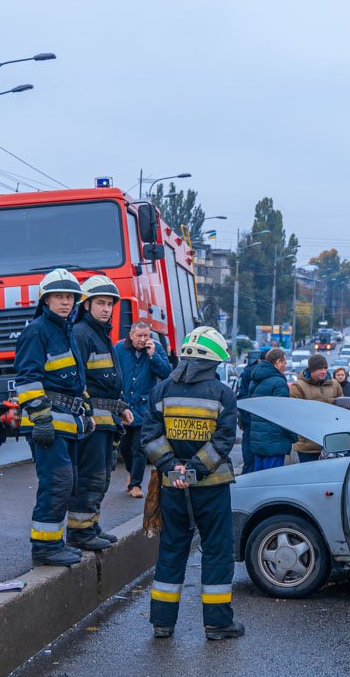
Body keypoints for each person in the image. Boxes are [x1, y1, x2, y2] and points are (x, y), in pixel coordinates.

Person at [142, 326, 243, 641]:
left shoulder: (161, 390)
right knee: (217, 552)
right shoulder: (223, 394)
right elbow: (223, 440)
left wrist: (173, 468)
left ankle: (162, 623)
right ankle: (217, 624)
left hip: (172, 487)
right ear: (213, 360)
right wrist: (194, 470)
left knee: (172, 549)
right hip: (211, 488)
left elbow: (150, 437)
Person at [14, 269, 94, 567]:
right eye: (58, 296)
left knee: (66, 484)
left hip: (67, 423)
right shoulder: (37, 331)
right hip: (48, 424)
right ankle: (44, 548)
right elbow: (27, 379)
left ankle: (54, 543)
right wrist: (41, 420)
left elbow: (75, 381)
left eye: (70, 297)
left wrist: (86, 411)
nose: (65, 302)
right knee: (57, 483)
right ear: (46, 300)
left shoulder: (66, 331)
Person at [68, 275, 133, 547]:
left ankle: (91, 526)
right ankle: (79, 532)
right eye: (100, 303)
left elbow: (108, 381)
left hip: (107, 419)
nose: (106, 309)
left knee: (102, 476)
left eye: (109, 304)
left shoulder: (100, 334)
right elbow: (78, 380)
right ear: (86, 305)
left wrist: (121, 407)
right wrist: (86, 414)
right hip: (93, 421)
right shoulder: (81, 333)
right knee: (90, 476)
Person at [114, 320, 171, 498]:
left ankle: (135, 485)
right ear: (131, 335)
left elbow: (167, 373)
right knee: (124, 448)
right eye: (139, 335)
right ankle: (132, 473)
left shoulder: (156, 349)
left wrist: (154, 356)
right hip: (123, 406)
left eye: (146, 335)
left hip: (144, 408)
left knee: (140, 448)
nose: (142, 339)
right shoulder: (119, 348)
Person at [245, 348, 296, 471]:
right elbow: (282, 413)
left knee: (260, 478)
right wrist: (293, 436)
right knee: (273, 477)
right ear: (278, 362)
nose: (285, 367)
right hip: (274, 441)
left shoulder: (255, 379)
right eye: (284, 363)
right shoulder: (279, 382)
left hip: (258, 440)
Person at [289, 353, 343, 462]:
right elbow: (295, 413)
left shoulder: (335, 384)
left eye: (325, 368)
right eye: (320, 369)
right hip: (307, 445)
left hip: (330, 442)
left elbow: (342, 409)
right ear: (311, 370)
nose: (323, 371)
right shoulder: (298, 386)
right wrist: (330, 402)